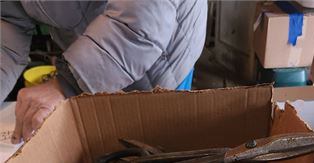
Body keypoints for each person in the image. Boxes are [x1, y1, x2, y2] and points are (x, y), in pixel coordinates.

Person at [0, 1, 207, 143]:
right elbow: (9, 20)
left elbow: (141, 16)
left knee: (160, 158)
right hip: (90, 60)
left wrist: (66, 84)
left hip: (161, 59)